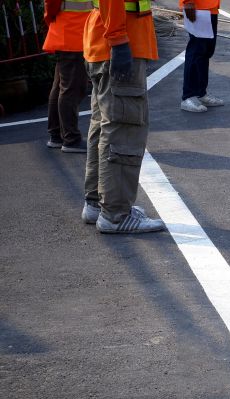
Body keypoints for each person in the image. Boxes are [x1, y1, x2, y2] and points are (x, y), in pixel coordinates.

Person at [81, 0, 165, 233]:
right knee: (123, 128)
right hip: (119, 40)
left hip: (103, 40)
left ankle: (98, 204)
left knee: (104, 127)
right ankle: (115, 214)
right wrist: (118, 40)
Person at [43, 0, 92, 153]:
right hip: (73, 34)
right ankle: (71, 139)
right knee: (72, 87)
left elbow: (50, 7)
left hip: (69, 31)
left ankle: (57, 135)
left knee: (61, 86)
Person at [179, 0, 224, 112]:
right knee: (196, 51)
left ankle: (200, 93)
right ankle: (188, 96)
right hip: (197, 7)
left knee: (206, 52)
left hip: (210, 8)